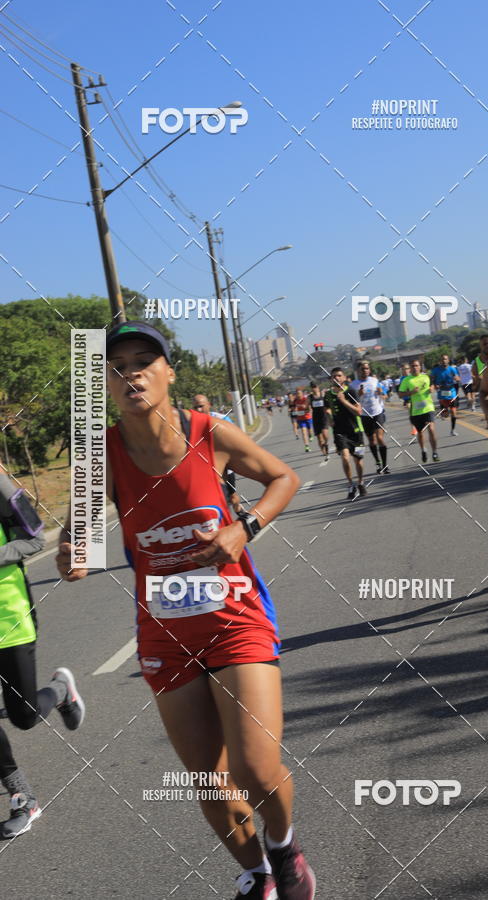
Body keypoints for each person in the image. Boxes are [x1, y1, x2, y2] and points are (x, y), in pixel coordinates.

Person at [56, 322, 315, 900]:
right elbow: (82, 525)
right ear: (106, 381)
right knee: (208, 778)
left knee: (254, 767)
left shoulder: (210, 433)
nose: (132, 374)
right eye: (117, 365)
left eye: (144, 361)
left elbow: (283, 477)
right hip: (164, 632)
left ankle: (284, 846)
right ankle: (257, 875)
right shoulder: (102, 452)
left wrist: (243, 529)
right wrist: (72, 550)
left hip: (235, 619)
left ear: (170, 372)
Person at [0, 472, 85, 839]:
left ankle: (61, 690)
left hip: (9, 619)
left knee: (23, 717)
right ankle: (23, 798)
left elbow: (34, 539)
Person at [193, 394, 242, 514]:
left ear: (209, 405)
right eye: (195, 407)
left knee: (232, 497)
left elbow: (235, 437)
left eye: (201, 406)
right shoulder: (192, 422)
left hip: (224, 463)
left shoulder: (222, 419)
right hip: (206, 465)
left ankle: (241, 516)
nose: (198, 410)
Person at [324, 368, 367, 499]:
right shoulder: (328, 395)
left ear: (344, 378)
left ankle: (360, 482)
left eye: (339, 375)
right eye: (334, 376)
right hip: (340, 432)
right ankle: (351, 485)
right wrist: (329, 417)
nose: (336, 378)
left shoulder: (351, 391)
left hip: (356, 431)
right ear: (331, 379)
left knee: (358, 460)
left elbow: (358, 411)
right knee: (345, 457)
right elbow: (327, 409)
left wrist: (343, 401)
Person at [350, 360, 389, 474]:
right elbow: (352, 403)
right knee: (372, 441)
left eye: (367, 368)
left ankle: (385, 465)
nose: (365, 371)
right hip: (364, 415)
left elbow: (385, 395)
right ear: (358, 371)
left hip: (377, 412)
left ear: (369, 370)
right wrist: (359, 394)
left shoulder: (375, 381)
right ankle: (378, 462)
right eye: (363, 369)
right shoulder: (353, 385)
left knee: (380, 438)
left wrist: (381, 393)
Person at [402, 360, 439, 462]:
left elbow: (432, 385)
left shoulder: (426, 377)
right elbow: (401, 394)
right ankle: (423, 450)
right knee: (420, 433)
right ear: (410, 368)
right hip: (416, 411)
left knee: (431, 428)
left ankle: (435, 452)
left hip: (428, 408)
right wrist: (411, 392)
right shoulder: (407, 380)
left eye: (416, 366)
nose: (415, 368)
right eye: (413, 366)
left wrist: (432, 388)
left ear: (420, 367)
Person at [430, 354, 461, 436]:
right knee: (446, 414)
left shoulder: (452, 369)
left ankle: (453, 430)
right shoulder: (436, 370)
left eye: (446, 359)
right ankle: (443, 412)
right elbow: (431, 379)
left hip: (452, 392)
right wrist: (434, 385)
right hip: (442, 393)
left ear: (448, 360)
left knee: (454, 412)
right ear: (440, 361)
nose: (444, 361)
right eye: (442, 359)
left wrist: (457, 379)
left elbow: (457, 378)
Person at [471, 334, 488, 428]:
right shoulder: (477, 362)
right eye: (485, 344)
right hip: (486, 394)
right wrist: (476, 381)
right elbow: (475, 383)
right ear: (480, 345)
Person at [308, 383, 330, 461]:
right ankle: (324, 452)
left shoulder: (323, 394)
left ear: (318, 387)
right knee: (320, 439)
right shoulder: (310, 397)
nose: (314, 389)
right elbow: (308, 406)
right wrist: (308, 409)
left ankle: (326, 444)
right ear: (311, 388)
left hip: (324, 417)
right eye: (312, 387)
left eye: (315, 387)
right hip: (316, 419)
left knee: (325, 435)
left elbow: (328, 404)